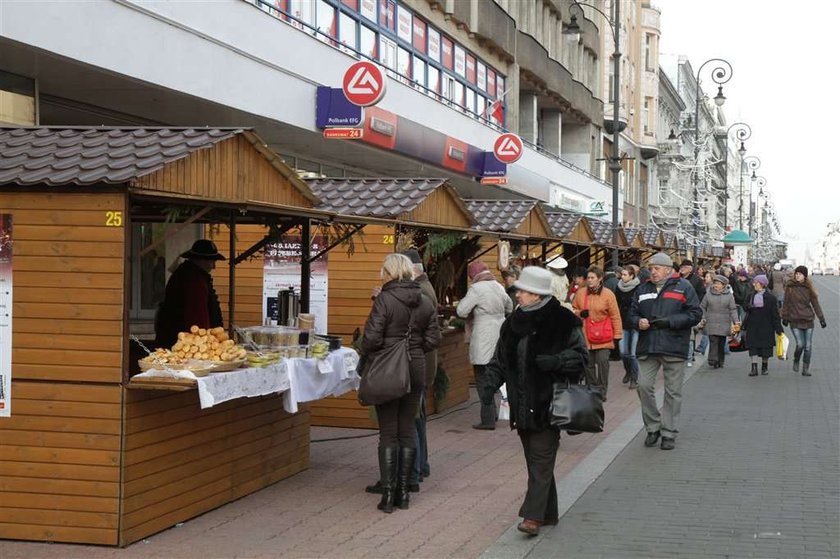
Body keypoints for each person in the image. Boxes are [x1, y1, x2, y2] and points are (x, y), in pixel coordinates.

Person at [482, 266, 589, 536]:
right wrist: (489, 385)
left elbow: (581, 358)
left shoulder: (564, 320)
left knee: (541, 460)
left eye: (522, 291)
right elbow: (500, 359)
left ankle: (532, 517)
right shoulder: (512, 323)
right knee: (535, 461)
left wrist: (557, 361)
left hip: (549, 404)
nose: (517, 295)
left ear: (538, 294)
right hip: (521, 404)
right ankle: (548, 512)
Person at [362, 253, 440, 513]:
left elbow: (371, 339)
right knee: (407, 429)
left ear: (390, 272)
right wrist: (413, 348)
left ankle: (388, 494)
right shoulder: (425, 300)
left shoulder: (384, 299)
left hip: (387, 369)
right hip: (416, 367)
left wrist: (385, 350)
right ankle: (404, 493)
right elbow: (433, 339)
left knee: (388, 431)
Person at [629, 252, 702, 451]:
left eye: (657, 269)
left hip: (674, 345)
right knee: (643, 386)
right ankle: (653, 427)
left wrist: (671, 322)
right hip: (648, 345)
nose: (653, 272)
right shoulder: (642, 288)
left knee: (673, 392)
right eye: (651, 269)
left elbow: (695, 314)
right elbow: (631, 313)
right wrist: (637, 322)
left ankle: (668, 432)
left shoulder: (684, 287)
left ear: (668, 270)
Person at [457, 261, 514, 430]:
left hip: (483, 335)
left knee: (482, 378)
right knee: (495, 374)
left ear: (473, 275)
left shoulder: (477, 289)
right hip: (500, 333)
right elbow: (509, 306)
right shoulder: (497, 285)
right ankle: (495, 413)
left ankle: (487, 419)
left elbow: (461, 310)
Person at [154, 239, 225, 349]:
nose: (214, 266)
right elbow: (197, 317)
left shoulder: (187, 274)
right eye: (212, 261)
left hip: (175, 339)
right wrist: (203, 343)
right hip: (184, 344)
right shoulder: (194, 280)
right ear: (201, 260)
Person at [572, 265, 622, 398]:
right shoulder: (581, 293)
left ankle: (602, 390)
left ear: (600, 279)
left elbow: (615, 315)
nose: (589, 280)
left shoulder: (608, 294)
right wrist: (579, 313)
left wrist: (617, 334)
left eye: (592, 278)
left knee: (603, 362)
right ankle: (592, 389)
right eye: (588, 277)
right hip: (586, 335)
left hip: (604, 335)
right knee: (588, 365)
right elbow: (573, 308)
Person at [781, 265, 827, 376]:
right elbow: (786, 303)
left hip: (808, 320)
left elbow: (815, 304)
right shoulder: (790, 287)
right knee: (800, 344)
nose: (797, 275)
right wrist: (785, 317)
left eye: (800, 274)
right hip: (795, 320)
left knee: (808, 346)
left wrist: (821, 319)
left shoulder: (809, 288)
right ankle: (796, 360)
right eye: (796, 273)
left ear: (805, 276)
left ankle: (805, 368)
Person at [742, 274, 783, 377]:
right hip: (753, 325)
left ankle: (764, 366)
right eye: (754, 282)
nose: (754, 284)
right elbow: (745, 307)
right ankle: (754, 368)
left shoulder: (771, 298)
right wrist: (749, 306)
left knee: (766, 348)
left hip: (766, 326)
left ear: (762, 284)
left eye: (756, 282)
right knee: (753, 347)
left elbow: (775, 314)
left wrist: (779, 329)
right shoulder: (751, 295)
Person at [700, 274, 739, 369]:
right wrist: (703, 317)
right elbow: (702, 307)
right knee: (713, 341)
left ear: (724, 285)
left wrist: (736, 321)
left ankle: (720, 361)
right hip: (711, 322)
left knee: (721, 342)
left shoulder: (729, 296)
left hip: (724, 323)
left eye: (718, 284)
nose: (716, 285)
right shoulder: (708, 294)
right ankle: (712, 360)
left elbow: (733, 309)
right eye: (715, 283)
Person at [615, 264, 641, 388]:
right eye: (622, 274)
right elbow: (615, 304)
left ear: (632, 276)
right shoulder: (618, 287)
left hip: (635, 323)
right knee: (623, 352)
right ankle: (628, 371)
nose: (622, 277)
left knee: (633, 353)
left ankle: (634, 377)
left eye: (625, 275)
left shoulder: (638, 287)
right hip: (623, 322)